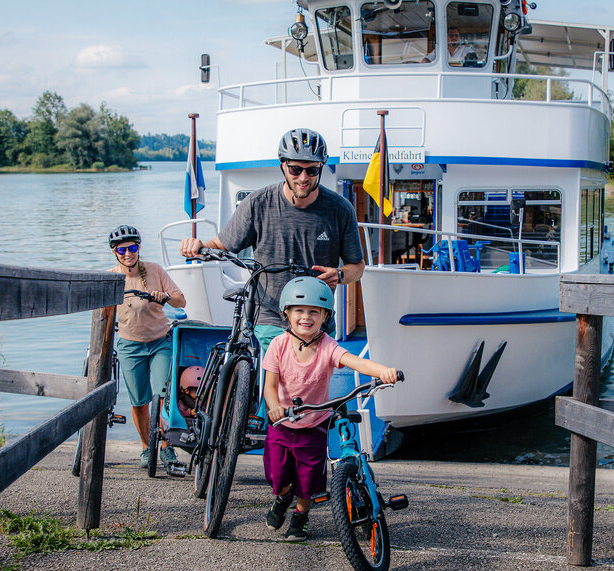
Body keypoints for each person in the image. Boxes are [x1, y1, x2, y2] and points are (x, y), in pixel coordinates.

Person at [178, 128, 366, 352]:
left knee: (312, 387)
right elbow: (221, 245)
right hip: (270, 317)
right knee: (273, 385)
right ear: (283, 166)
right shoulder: (258, 203)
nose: (303, 178)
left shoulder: (340, 209)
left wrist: (341, 274)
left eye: (312, 170)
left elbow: (358, 266)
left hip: (317, 318)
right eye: (295, 169)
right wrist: (197, 246)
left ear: (321, 168)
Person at [262, 277, 399, 541]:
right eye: (299, 311)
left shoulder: (327, 346)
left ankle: (300, 517)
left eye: (314, 311)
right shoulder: (278, 345)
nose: (306, 317)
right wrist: (275, 407)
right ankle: (282, 498)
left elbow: (354, 361)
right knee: (277, 476)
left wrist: (383, 371)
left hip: (314, 425)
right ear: (287, 314)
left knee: (308, 479)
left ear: (325, 316)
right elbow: (270, 386)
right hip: (282, 423)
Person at [108, 225, 187, 468]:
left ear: (139, 248)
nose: (128, 253)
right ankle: (145, 447)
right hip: (130, 346)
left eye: (132, 248)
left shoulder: (154, 270)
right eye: (122, 249)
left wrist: (163, 295)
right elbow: (104, 315)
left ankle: (166, 447)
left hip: (159, 342)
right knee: (139, 401)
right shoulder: (112, 277)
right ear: (115, 252)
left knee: (163, 395)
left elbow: (180, 300)